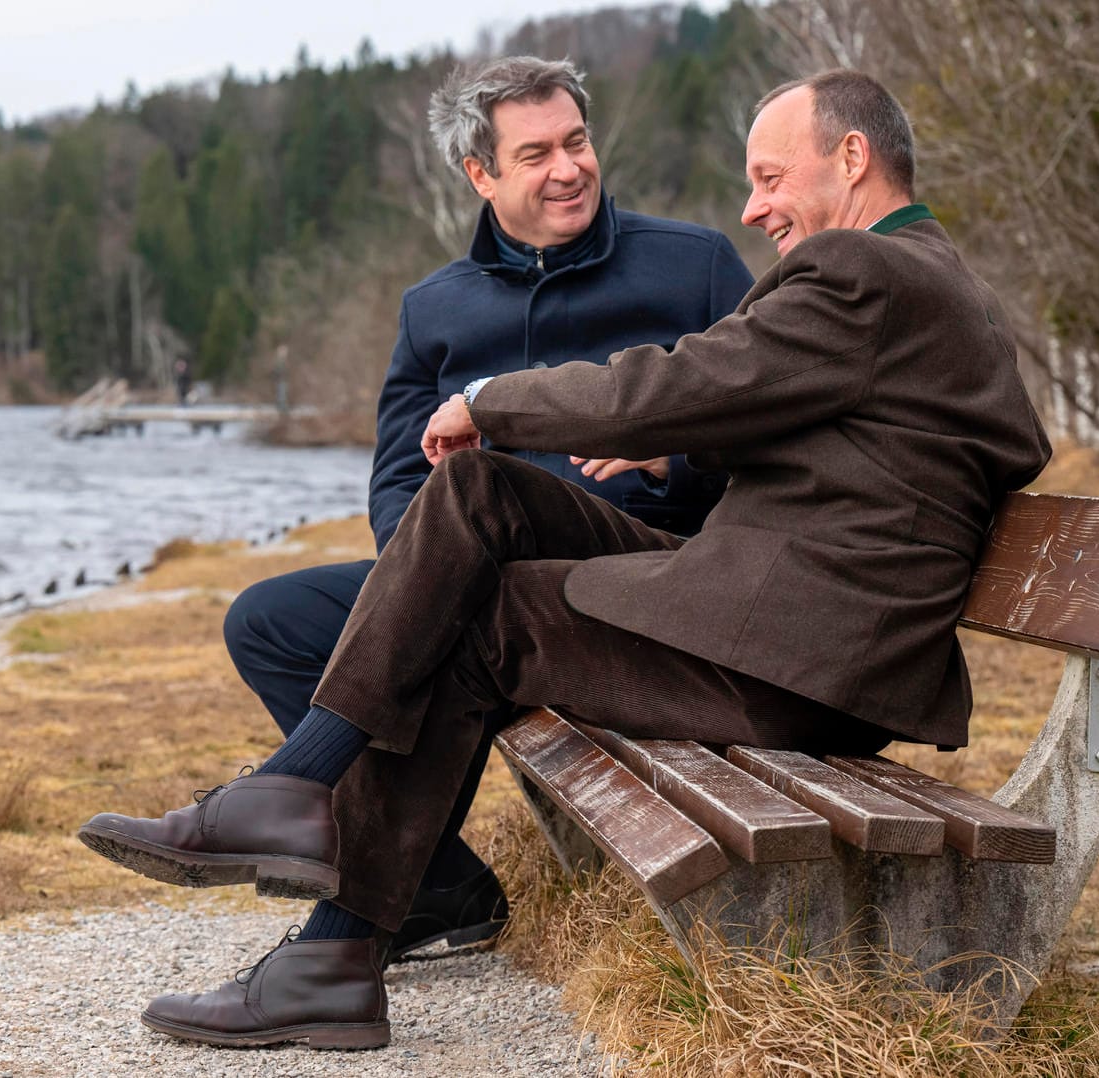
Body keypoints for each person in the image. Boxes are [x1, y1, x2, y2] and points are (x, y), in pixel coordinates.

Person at [81, 68, 1053, 1051]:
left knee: (484, 622)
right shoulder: (924, 281)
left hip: (795, 656)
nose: (754, 207)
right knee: (478, 493)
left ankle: (328, 944)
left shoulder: (867, 274)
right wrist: (690, 445)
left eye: (769, 177)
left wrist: (492, 400)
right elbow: (875, 439)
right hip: (789, 622)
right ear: (480, 173)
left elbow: (679, 379)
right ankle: (295, 805)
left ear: (852, 158)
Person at [218, 55, 753, 974]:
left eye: (577, 142)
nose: (569, 169)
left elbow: (766, 437)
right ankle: (440, 887)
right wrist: (420, 572)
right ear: (481, 175)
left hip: (639, 588)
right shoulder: (435, 309)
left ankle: (333, 900)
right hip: (473, 577)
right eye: (536, 153)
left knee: (446, 620)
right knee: (268, 622)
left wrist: (673, 463)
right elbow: (396, 480)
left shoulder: (693, 266)